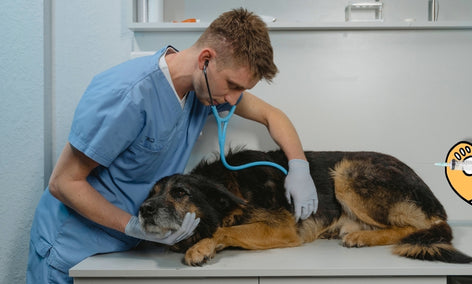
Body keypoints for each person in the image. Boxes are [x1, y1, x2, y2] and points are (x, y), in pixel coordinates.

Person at [26, 8, 318, 284]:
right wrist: (132, 226)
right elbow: (63, 183)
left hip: (132, 248)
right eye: (232, 85)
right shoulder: (128, 96)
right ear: (205, 60)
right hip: (76, 248)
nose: (233, 99)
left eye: (241, 90)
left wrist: (299, 166)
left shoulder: (203, 89)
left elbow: (272, 116)